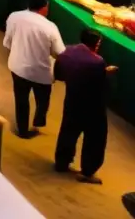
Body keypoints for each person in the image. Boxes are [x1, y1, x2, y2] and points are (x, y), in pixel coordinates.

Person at [54, 28, 114, 184]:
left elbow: (59, 74)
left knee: (68, 131)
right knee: (95, 139)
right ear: (96, 43)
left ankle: (62, 162)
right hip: (93, 106)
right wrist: (106, 72)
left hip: (72, 99)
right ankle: (87, 172)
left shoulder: (66, 52)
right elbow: (101, 84)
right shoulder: (97, 61)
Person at [4, 0, 65, 139]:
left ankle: (23, 129)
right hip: (41, 72)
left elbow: (7, 42)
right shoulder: (50, 27)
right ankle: (39, 120)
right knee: (43, 99)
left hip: (17, 66)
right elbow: (60, 52)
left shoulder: (14, 16)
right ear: (44, 8)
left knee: (21, 99)